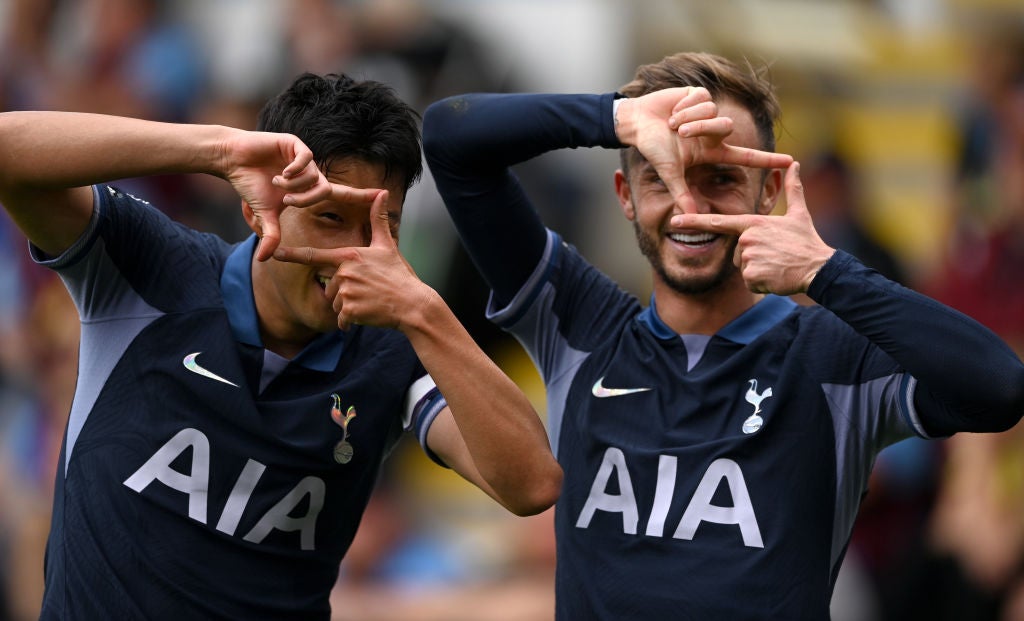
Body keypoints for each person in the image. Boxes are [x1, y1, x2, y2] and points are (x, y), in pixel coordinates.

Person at [418, 52, 1024, 619]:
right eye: (661, 175)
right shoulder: (580, 321)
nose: (690, 205)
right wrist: (615, 117)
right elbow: (450, 136)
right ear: (626, 196)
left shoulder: (834, 356)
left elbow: (998, 387)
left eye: (721, 178)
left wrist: (826, 270)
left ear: (767, 194)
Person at [0, 72, 561, 620]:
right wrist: (215, 149)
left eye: (379, 225)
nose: (353, 254)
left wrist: (424, 311)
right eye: (330, 218)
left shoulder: (396, 349)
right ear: (259, 205)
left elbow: (532, 483)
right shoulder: (152, 266)